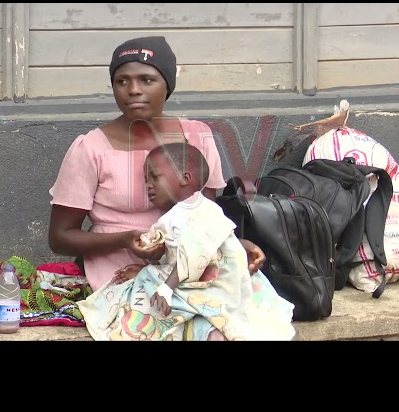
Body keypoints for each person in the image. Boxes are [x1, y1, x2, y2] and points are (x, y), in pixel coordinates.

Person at [47, 36, 270, 338]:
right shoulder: (91, 148)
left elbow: (204, 218)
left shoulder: (197, 138)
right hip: (121, 273)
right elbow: (60, 238)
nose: (133, 90)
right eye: (121, 81)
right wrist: (125, 239)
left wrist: (232, 244)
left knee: (239, 324)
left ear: (167, 84)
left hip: (188, 268)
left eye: (147, 79)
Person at [75, 142, 295, 340]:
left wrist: (165, 288)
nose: (148, 185)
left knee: (162, 299)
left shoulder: (200, 209)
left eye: (155, 177)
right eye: (145, 180)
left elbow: (194, 255)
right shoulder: (174, 214)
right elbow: (169, 251)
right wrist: (151, 253)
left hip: (213, 283)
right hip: (189, 276)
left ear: (185, 178)